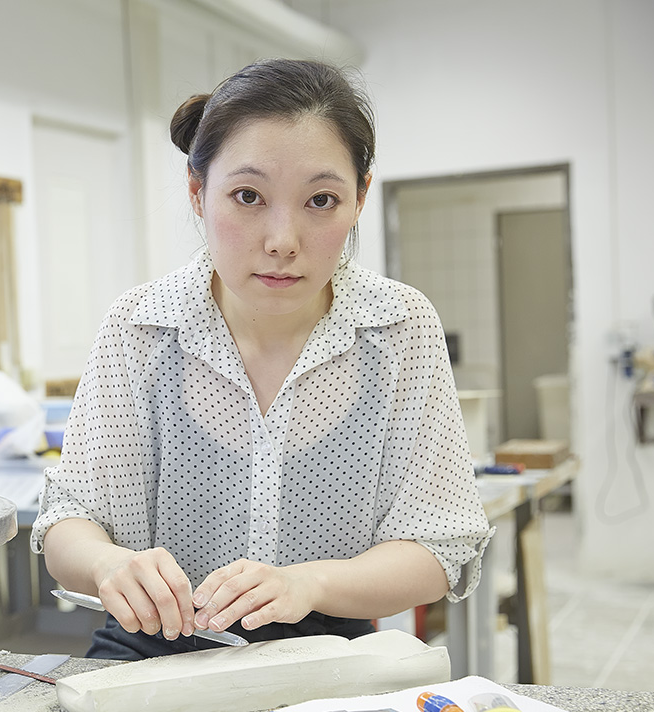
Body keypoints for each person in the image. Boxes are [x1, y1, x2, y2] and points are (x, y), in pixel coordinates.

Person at [31, 59, 492, 661]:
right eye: (248, 196)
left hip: (324, 655)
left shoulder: (398, 329)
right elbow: (71, 521)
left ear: (360, 198)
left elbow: (440, 547)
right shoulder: (141, 327)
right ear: (198, 193)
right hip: (151, 651)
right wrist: (109, 564)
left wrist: (310, 583)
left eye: (321, 200)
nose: (282, 239)